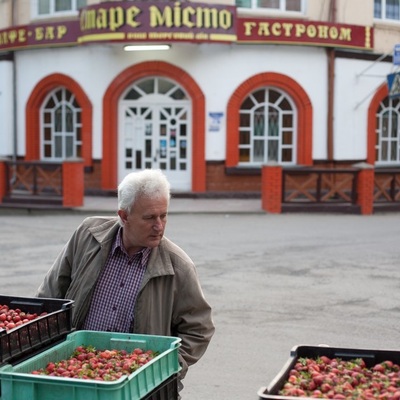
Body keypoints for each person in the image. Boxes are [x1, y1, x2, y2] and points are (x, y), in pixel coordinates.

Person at [35, 168, 215, 392]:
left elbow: (199, 328)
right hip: (77, 373)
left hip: (139, 386)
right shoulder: (88, 235)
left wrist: (166, 369)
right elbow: (50, 296)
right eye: (149, 217)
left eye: (164, 215)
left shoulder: (178, 267)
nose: (159, 226)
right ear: (124, 216)